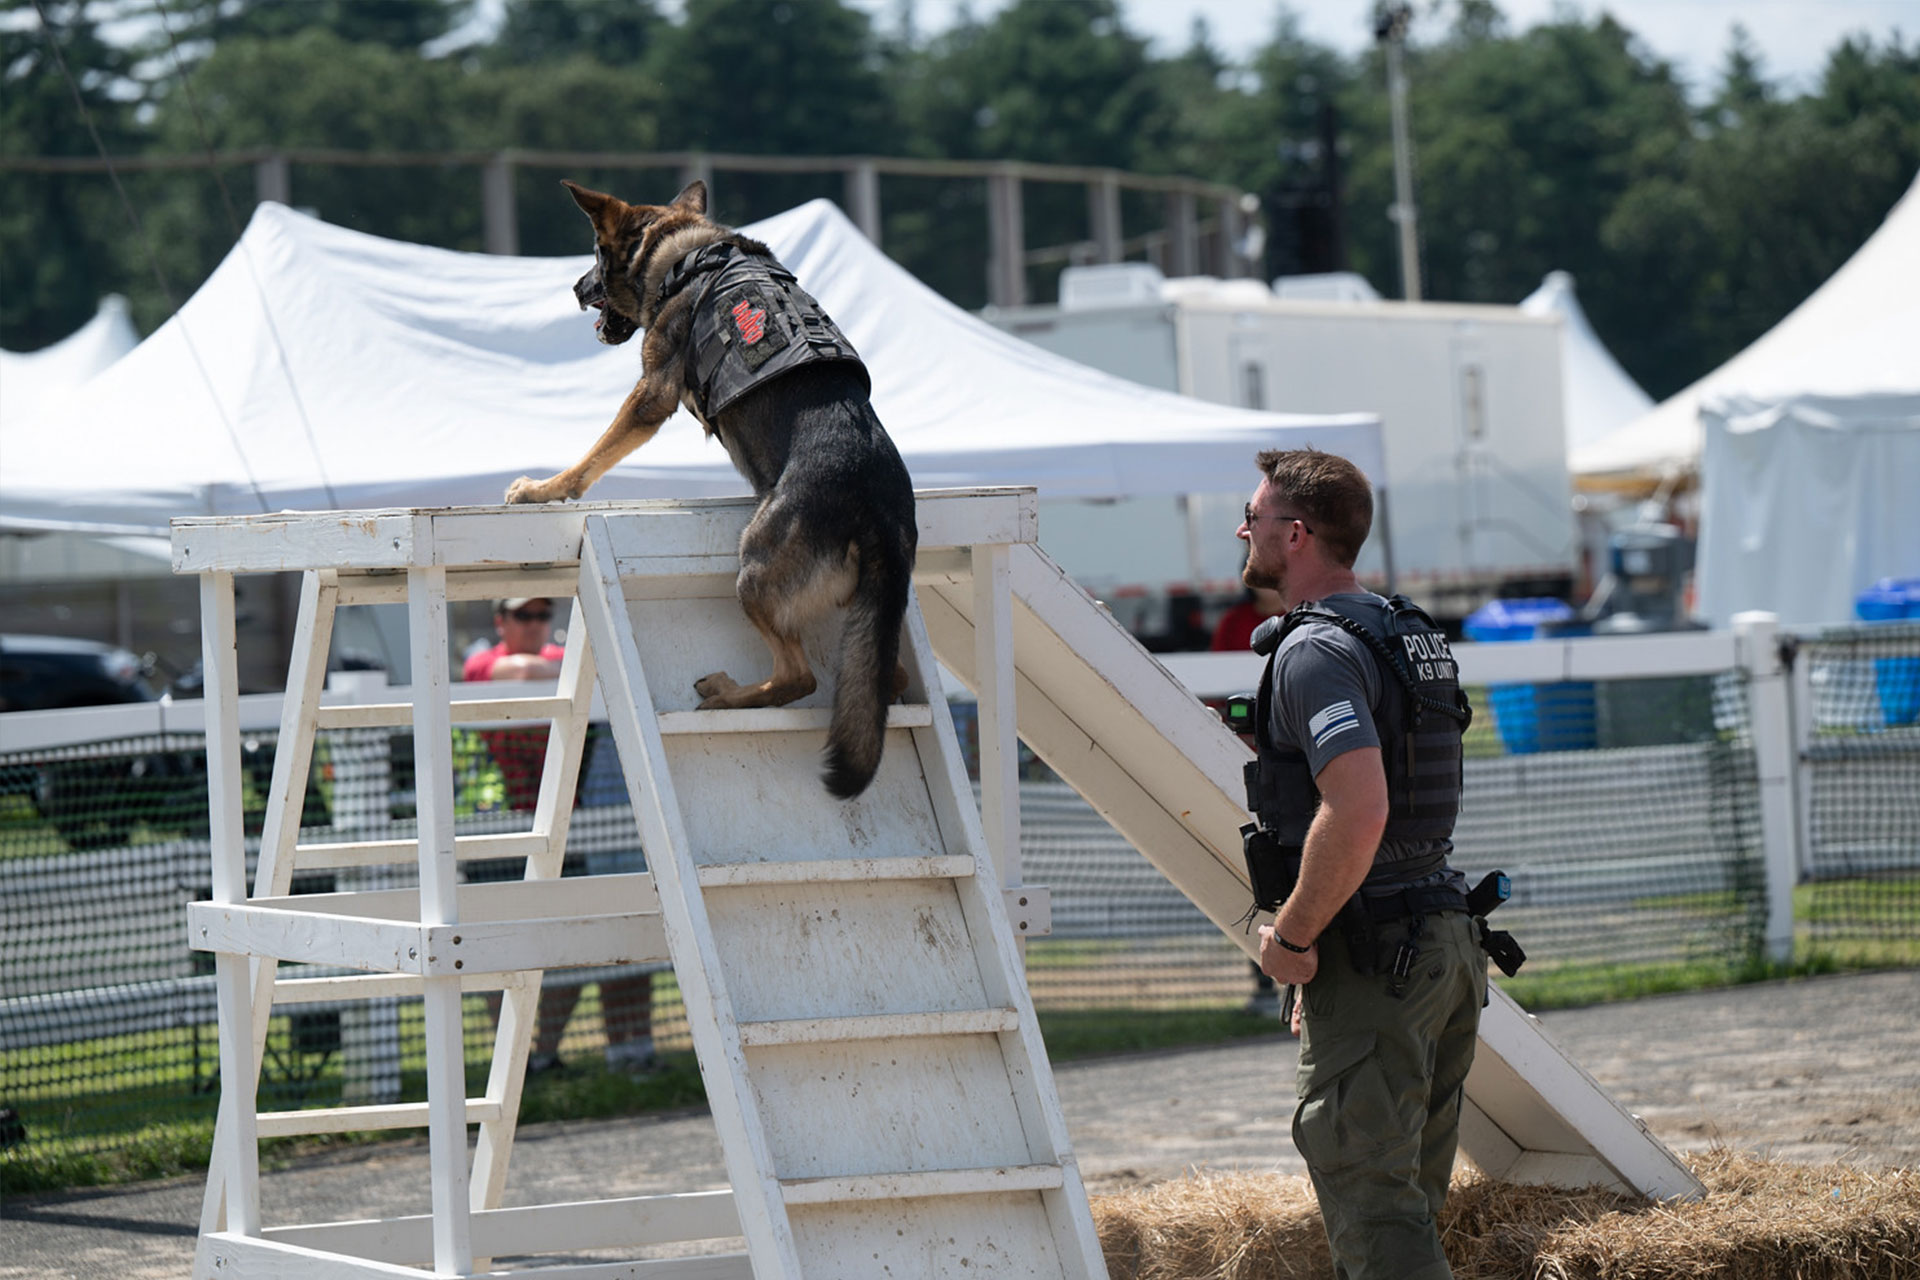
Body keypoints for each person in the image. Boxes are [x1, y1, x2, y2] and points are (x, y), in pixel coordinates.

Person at [1238, 449, 1482, 1280]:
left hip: (1377, 955)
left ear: (1296, 533)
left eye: (1255, 516)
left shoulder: (1315, 653)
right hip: (1441, 943)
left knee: (1380, 1230)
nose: (1243, 529)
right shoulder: (1405, 633)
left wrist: (1295, 939)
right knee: (1404, 1212)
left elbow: (1361, 809)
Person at [464, 597, 658, 1075]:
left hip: (565, 827)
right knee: (499, 951)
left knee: (566, 952)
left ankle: (542, 1055)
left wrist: (565, 667)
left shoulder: (560, 661)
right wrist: (568, 668)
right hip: (499, 827)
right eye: (521, 616)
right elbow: (512, 672)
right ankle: (507, 1059)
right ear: (501, 621)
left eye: (541, 616)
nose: (533, 625)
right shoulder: (483, 662)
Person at [1211, 582, 1289, 1018]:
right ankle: (1263, 982)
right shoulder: (1233, 625)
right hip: (1247, 769)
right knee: (1258, 878)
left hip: (1295, 772)